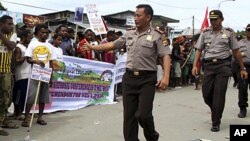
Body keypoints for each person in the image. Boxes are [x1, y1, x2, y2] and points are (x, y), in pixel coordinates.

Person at [81, 4, 171, 141]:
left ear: (148, 17)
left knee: (143, 115)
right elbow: (112, 45)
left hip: (147, 79)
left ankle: (152, 136)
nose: (135, 18)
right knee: (129, 117)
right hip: (129, 78)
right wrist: (92, 47)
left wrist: (165, 77)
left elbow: (165, 55)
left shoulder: (157, 36)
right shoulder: (129, 33)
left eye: (138, 15)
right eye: (135, 15)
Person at [192, 10, 248, 132]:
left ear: (221, 19)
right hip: (209, 66)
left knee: (218, 95)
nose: (213, 22)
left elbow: (236, 51)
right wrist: (195, 65)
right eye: (211, 19)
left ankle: (215, 121)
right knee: (206, 94)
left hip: (223, 66)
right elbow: (199, 50)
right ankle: (216, 110)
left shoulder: (228, 33)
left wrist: (242, 68)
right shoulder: (205, 33)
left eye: (215, 19)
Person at [22, 24, 56, 127]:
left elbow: (50, 62)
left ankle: (40, 117)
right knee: (31, 96)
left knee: (43, 97)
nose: (45, 34)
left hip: (45, 74)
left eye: (46, 32)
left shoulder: (50, 46)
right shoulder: (32, 44)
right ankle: (26, 118)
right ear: (37, 33)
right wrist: (36, 61)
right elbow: (28, 59)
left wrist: (51, 76)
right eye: (42, 32)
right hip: (35, 74)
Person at [0, 15, 19, 136]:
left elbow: (11, 46)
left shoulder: (13, 34)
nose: (11, 26)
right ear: (1, 23)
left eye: (12, 24)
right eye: (8, 24)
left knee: (5, 99)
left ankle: (2, 121)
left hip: (6, 71)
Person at [12, 30, 33, 120]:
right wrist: (26, 56)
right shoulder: (18, 47)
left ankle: (22, 112)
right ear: (24, 37)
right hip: (20, 74)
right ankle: (18, 113)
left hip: (27, 74)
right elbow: (17, 61)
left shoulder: (26, 47)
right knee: (19, 94)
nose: (30, 39)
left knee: (24, 94)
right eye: (29, 37)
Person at [237, 24, 250, 118]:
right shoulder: (240, 43)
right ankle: (242, 108)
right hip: (244, 67)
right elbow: (235, 56)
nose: (249, 32)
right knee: (242, 88)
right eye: (248, 30)